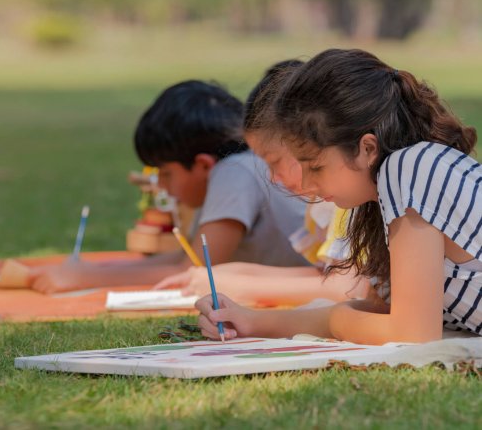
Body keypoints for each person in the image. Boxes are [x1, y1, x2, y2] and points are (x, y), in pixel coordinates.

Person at [195, 48, 482, 344]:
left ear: (367, 149)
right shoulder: (378, 195)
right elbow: (378, 310)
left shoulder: (410, 169)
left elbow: (412, 334)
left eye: (316, 167)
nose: (306, 184)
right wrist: (249, 321)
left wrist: (335, 320)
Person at [30, 80, 308, 293]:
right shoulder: (232, 169)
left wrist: (85, 278)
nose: (161, 186)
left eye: (165, 174)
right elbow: (184, 255)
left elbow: (195, 268)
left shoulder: (234, 172)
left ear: (202, 165)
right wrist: (97, 269)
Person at [154, 61, 369, 306]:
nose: (272, 177)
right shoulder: (331, 203)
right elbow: (327, 275)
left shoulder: (350, 200)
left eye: (274, 161)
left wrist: (244, 287)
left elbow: (351, 287)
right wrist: (236, 274)